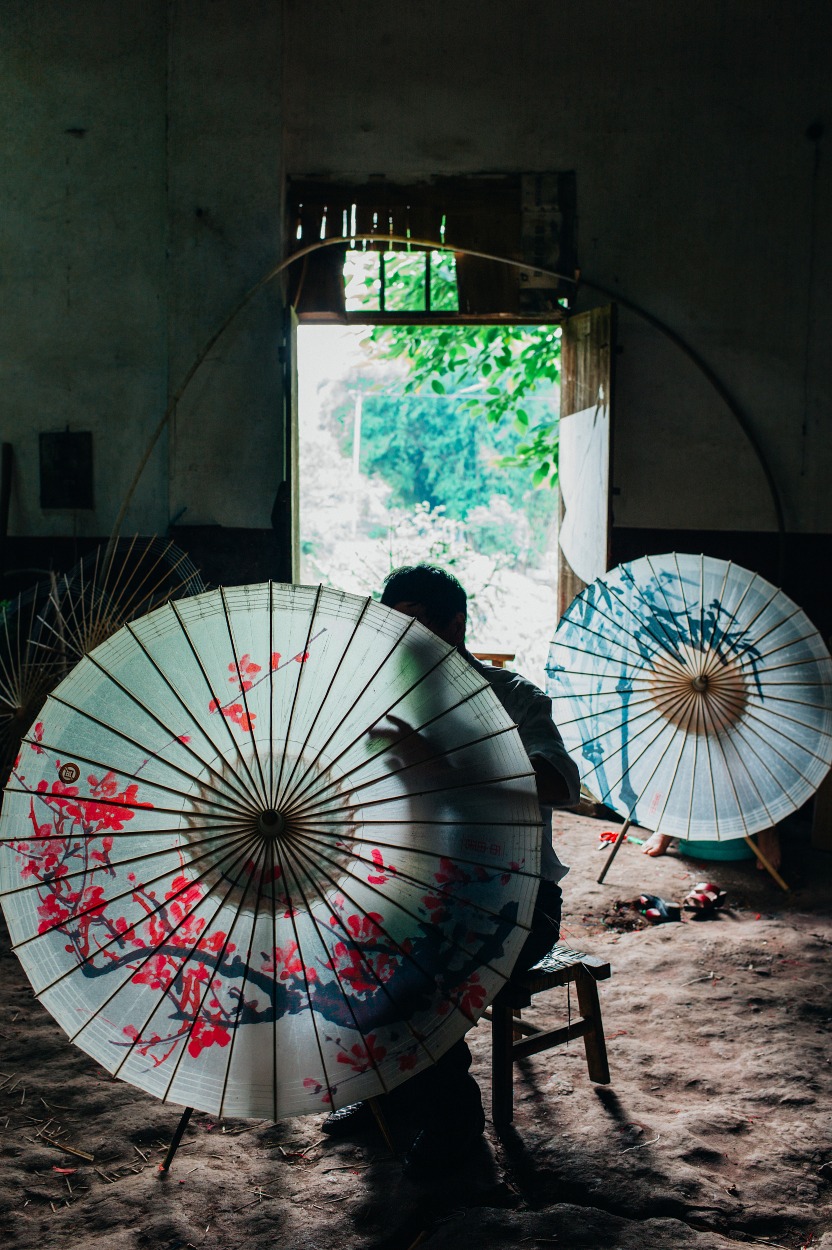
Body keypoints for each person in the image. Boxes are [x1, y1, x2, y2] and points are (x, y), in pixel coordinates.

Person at [322, 563, 580, 1175]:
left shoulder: (512, 699)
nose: (398, 638)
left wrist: (448, 768)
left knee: (418, 971)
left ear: (454, 625)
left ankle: (456, 1135)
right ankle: (381, 1092)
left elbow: (561, 784)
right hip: (412, 890)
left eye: (412, 623)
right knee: (341, 946)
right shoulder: (383, 707)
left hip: (517, 903)